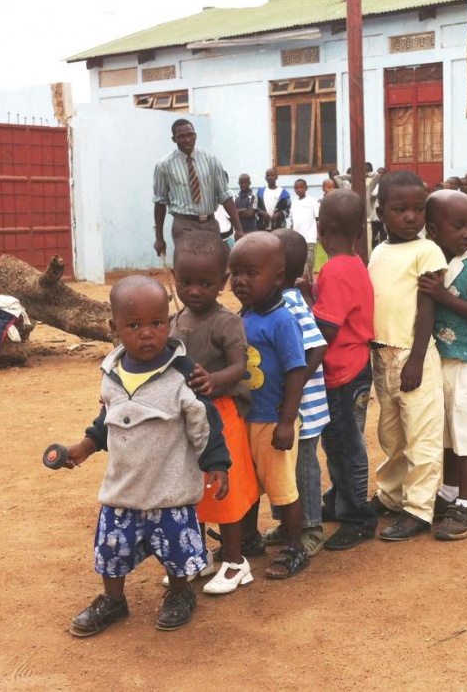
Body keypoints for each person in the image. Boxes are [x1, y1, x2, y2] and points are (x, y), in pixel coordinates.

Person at [61, 275, 231, 636]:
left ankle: (181, 593)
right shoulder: (111, 373)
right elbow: (107, 421)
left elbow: (205, 420)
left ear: (168, 322)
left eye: (157, 323)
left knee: (177, 553)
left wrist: (216, 464)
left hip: (170, 490)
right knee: (111, 552)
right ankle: (113, 601)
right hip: (123, 490)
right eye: (134, 325)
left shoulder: (182, 374)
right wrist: (84, 448)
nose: (147, 333)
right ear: (115, 327)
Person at [168, 232, 256, 595]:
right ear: (174, 277)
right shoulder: (173, 321)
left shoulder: (226, 322)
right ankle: (198, 555)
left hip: (221, 415)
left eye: (206, 284)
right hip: (186, 419)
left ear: (222, 282)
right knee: (192, 489)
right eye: (186, 282)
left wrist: (213, 379)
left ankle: (236, 562)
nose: (194, 291)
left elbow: (240, 367)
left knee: (224, 489)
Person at [367, 171, 447, 541]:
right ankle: (392, 494)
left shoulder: (427, 250)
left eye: (418, 209)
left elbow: (427, 306)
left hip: (414, 357)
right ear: (381, 211)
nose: (411, 217)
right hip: (383, 355)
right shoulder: (379, 251)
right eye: (400, 210)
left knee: (422, 434)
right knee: (392, 434)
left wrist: (416, 357)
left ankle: (419, 508)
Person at [299, 190, 378, 550]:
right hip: (350, 368)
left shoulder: (334, 269)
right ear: (359, 232)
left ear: (321, 228)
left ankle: (358, 515)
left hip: (344, 372)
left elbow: (326, 329)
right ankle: (342, 497)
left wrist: (305, 301)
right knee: (339, 442)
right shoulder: (355, 263)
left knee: (347, 445)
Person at [229, 232, 310, 578]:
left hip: (272, 421)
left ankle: (295, 548)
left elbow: (296, 371)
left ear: (278, 278)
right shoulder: (242, 316)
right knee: (246, 485)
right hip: (245, 417)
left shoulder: (283, 320)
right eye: (235, 273)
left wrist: (288, 421)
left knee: (281, 488)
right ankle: (248, 541)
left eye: (251, 273)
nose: (240, 281)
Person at [418, 190, 467, 540]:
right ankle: (449, 494)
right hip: (439, 362)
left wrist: (444, 297)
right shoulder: (428, 260)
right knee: (447, 434)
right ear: (433, 230)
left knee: (465, 436)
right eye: (457, 226)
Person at [259, 228, 330, 556]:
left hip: (303, 408)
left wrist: (295, 387)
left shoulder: (291, 303)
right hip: (283, 407)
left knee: (303, 466)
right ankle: (288, 523)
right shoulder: (269, 304)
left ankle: (311, 526)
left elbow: (317, 347)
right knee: (281, 468)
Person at [153, 119, 244, 256]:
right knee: (189, 267)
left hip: (210, 224)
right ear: (174, 139)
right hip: (184, 225)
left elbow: (225, 196)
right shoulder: (164, 166)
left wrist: (239, 229)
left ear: (195, 135)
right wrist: (159, 238)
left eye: (190, 134)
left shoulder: (211, 160)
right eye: (181, 136)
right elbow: (160, 203)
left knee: (213, 266)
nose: (187, 140)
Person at [289, 179, 319, 276]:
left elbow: (317, 218)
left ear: (306, 188)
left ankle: (309, 285)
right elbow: (292, 221)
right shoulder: (294, 203)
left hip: (309, 238)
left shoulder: (312, 201)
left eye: (301, 187)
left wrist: (319, 234)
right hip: (297, 239)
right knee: (298, 263)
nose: (299, 190)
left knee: (308, 263)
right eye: (296, 188)